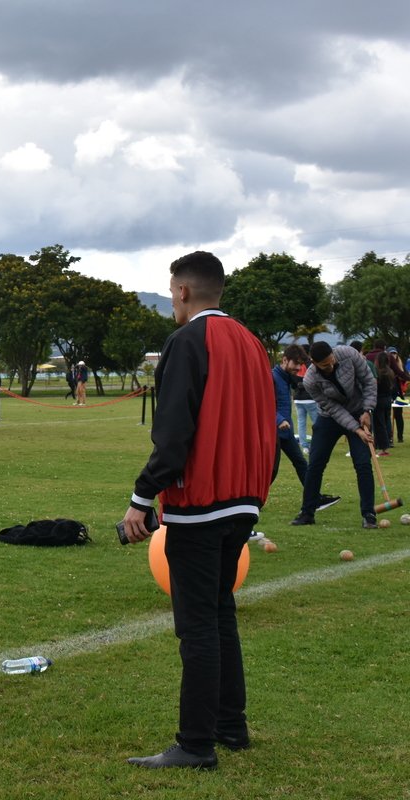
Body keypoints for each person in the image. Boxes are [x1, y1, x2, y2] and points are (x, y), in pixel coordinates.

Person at [120, 251, 274, 770]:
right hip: (244, 501)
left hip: (202, 505)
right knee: (220, 613)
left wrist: (142, 498)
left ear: (183, 291)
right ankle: (231, 726)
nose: (171, 300)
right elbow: (269, 427)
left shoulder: (188, 341)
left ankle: (195, 744)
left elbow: (173, 432)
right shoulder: (253, 343)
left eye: (170, 291)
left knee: (199, 627)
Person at [290, 341, 378, 529]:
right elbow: (334, 409)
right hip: (329, 417)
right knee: (315, 464)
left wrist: (367, 410)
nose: (330, 366)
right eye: (325, 365)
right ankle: (307, 513)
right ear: (314, 362)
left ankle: (369, 514)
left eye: (332, 361)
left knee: (363, 464)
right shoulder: (310, 380)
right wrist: (357, 430)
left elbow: (369, 381)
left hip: (358, 411)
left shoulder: (349, 354)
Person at [271, 344, 339, 514]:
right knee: (271, 470)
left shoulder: (286, 377)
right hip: (273, 432)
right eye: (296, 364)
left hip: (286, 431)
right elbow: (263, 404)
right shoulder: (271, 377)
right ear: (284, 360)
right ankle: (250, 500)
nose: (298, 368)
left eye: (301, 364)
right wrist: (278, 420)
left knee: (302, 463)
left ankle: (315, 498)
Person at [292, 360, 318, 454]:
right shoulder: (311, 366)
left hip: (298, 399)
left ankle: (304, 446)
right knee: (316, 423)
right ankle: (316, 445)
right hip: (310, 398)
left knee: (301, 423)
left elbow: (293, 384)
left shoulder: (297, 366)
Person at [374, 352, 396, 456]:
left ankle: (383, 448)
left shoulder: (378, 373)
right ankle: (388, 442)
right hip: (388, 400)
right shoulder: (390, 372)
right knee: (386, 422)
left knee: (379, 424)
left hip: (379, 400)